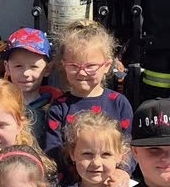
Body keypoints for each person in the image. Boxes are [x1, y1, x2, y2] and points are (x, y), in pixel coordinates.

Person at [41, 21, 132, 172]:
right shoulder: (59, 108)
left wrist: (123, 172)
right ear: (63, 65)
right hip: (72, 182)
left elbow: (129, 146)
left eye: (90, 66)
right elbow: (53, 153)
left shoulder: (119, 103)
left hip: (112, 180)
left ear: (107, 65)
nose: (82, 72)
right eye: (74, 66)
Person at [0, 27, 53, 140]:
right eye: (18, 66)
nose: (26, 73)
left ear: (48, 69)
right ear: (7, 68)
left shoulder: (54, 108)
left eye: (34, 66)